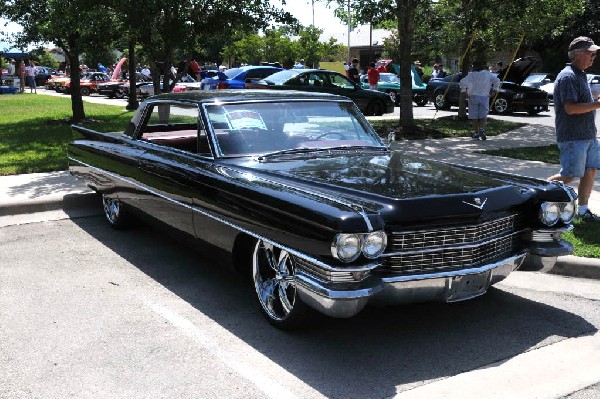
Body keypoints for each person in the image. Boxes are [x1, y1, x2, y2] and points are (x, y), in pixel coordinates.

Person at [547, 36, 600, 221]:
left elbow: (580, 102)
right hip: (572, 137)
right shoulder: (568, 76)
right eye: (589, 52)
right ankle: (538, 193)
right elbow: (570, 108)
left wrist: (593, 99)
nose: (593, 55)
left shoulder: (580, 74)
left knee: (590, 170)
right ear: (577, 54)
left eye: (593, 52)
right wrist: (597, 104)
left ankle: (583, 211)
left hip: (588, 136)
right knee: (569, 176)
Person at [459, 59, 500, 140]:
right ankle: (482, 129)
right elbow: (497, 80)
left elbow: (462, 83)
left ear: (474, 67)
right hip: (485, 96)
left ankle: (476, 133)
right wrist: (494, 90)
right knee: (483, 115)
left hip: (473, 96)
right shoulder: (488, 74)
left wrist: (464, 92)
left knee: (474, 116)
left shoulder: (471, 75)